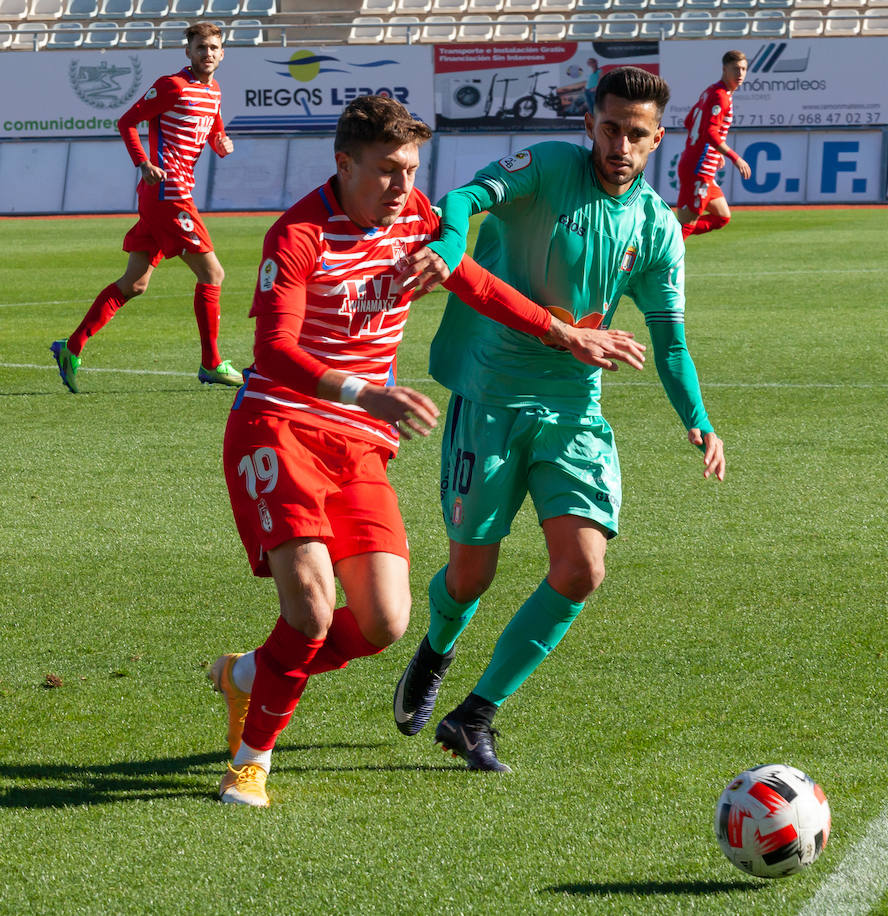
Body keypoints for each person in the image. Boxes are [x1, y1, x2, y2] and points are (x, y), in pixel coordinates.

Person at [208, 95, 645, 807]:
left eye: (411, 169)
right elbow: (274, 353)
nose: (404, 187)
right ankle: (251, 764)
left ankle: (252, 674)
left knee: (384, 623)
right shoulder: (298, 236)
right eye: (386, 171)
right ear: (344, 164)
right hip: (280, 425)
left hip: (359, 443)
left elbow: (475, 283)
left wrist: (567, 335)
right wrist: (364, 392)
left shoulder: (415, 222)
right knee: (313, 610)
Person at [392, 66, 726, 773]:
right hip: (490, 396)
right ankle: (437, 648)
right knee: (469, 580)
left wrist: (697, 418)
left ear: (657, 139)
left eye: (637, 135)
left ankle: (475, 715)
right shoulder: (545, 168)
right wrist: (450, 246)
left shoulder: (659, 228)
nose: (621, 146)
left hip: (574, 409)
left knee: (581, 569)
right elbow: (463, 195)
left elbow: (669, 340)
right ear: (590, 126)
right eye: (610, 129)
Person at [51, 22, 243, 393]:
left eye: (214, 47)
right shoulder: (172, 86)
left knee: (135, 283)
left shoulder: (214, 90)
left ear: (222, 53)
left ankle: (70, 348)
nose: (208, 53)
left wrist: (221, 143)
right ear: (187, 52)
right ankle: (212, 363)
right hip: (167, 193)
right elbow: (127, 122)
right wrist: (143, 162)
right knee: (212, 275)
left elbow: (215, 130)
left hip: (167, 195)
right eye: (200, 47)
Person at [675, 50, 750, 239]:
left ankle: (667, 234)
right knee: (685, 227)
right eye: (736, 69)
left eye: (743, 69)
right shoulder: (720, 96)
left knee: (722, 216)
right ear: (724, 69)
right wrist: (735, 158)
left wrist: (717, 153)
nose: (740, 74)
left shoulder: (712, 91)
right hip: (699, 168)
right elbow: (709, 132)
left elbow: (689, 120)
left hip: (701, 166)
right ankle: (659, 251)